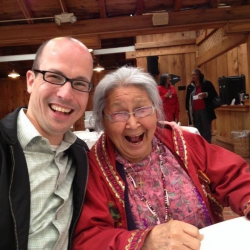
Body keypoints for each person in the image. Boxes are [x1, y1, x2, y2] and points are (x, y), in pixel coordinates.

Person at [73, 66, 250, 250]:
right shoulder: (94, 171)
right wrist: (145, 241)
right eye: (119, 113)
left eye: (142, 109)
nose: (133, 124)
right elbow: (88, 239)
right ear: (104, 121)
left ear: (156, 111)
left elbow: (234, 176)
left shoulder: (184, 143)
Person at [0, 37, 93, 249]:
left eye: (79, 83)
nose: (65, 94)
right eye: (54, 77)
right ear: (31, 81)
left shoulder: (81, 155)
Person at [185, 69, 218, 143]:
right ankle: (200, 145)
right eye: (192, 75)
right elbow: (187, 99)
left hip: (205, 110)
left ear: (199, 75)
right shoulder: (190, 87)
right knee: (197, 129)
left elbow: (214, 94)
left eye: (194, 75)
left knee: (206, 129)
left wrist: (205, 94)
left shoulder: (207, 84)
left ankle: (207, 145)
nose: (193, 77)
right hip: (195, 111)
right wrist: (187, 110)